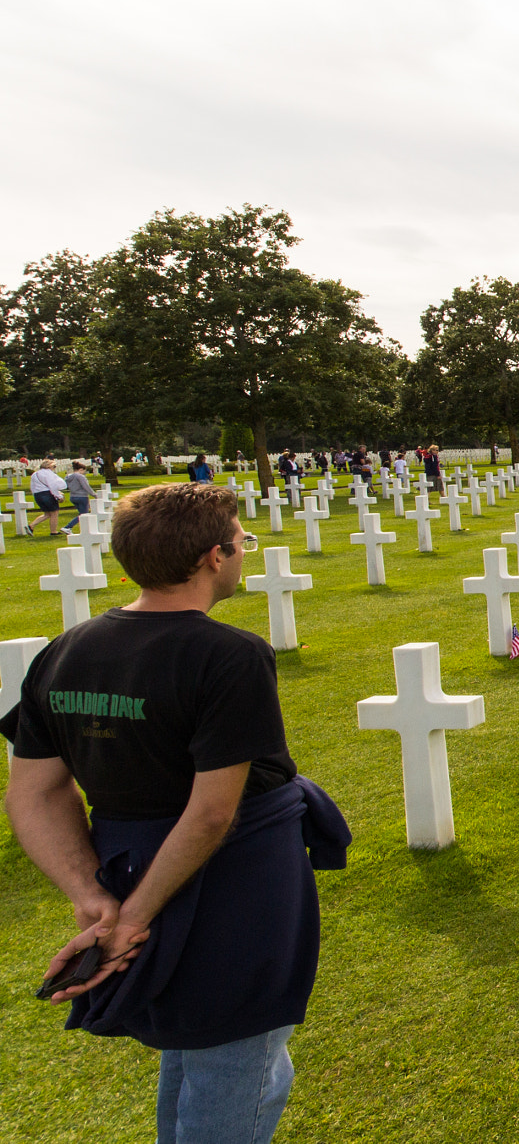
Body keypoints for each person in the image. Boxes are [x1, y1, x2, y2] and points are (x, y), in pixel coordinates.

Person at [1, 482, 350, 1144]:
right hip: (230, 879)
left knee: (204, 1048)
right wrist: (132, 916)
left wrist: (93, 894)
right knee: (235, 1063)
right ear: (213, 557)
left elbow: (34, 792)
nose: (244, 553)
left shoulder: (66, 650)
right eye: (241, 542)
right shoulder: (229, 655)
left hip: (130, 866)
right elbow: (213, 812)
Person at [30, 458, 68, 537]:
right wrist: (59, 496)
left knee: (47, 514)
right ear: (49, 466)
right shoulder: (48, 473)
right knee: (54, 513)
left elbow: (32, 487)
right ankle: (53, 531)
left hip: (37, 495)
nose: (54, 468)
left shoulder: (34, 474)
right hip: (47, 494)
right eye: (54, 466)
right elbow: (52, 486)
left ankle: (31, 526)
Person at [60, 460, 94, 533]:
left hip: (73, 496)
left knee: (81, 514)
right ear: (81, 469)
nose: (84, 473)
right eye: (83, 471)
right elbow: (86, 486)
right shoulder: (80, 476)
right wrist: (94, 494)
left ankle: (84, 529)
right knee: (84, 514)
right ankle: (68, 527)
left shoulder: (68, 477)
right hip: (82, 496)